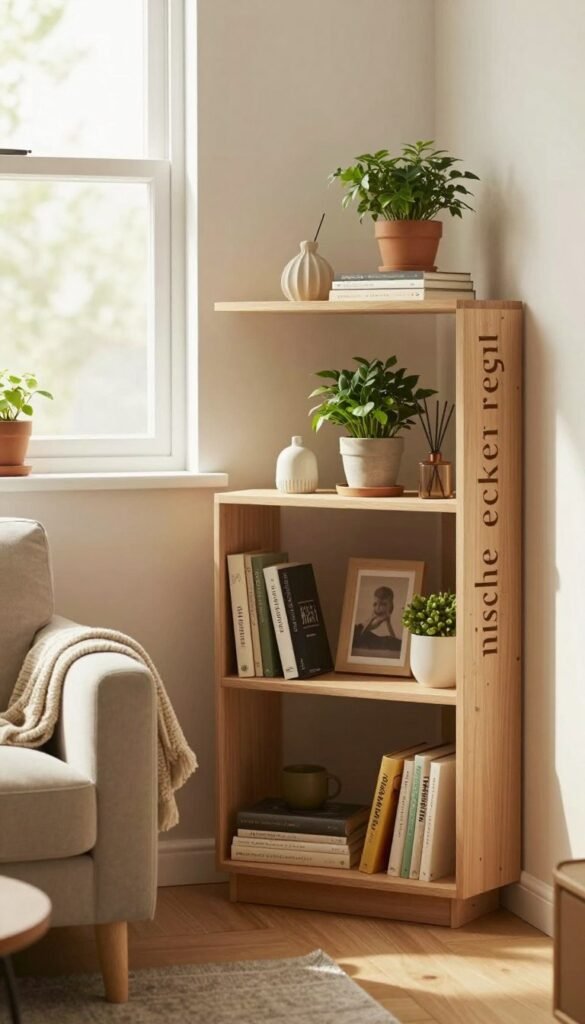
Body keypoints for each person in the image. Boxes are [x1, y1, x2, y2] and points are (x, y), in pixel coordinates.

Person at [352, 585, 402, 655]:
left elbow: (393, 639)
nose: (378, 607)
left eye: (383, 604)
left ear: (391, 606)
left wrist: (388, 622)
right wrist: (371, 618)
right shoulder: (372, 619)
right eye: (375, 604)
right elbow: (360, 633)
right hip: (361, 633)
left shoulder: (390, 617)